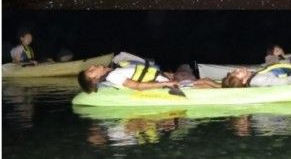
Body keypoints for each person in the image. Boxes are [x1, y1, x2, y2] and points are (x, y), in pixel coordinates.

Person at [78, 54, 220, 94]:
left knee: (205, 80)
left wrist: (164, 75)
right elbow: (137, 86)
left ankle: (225, 88)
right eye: (91, 71)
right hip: (163, 86)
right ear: (95, 78)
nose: (92, 66)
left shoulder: (114, 70)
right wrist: (166, 83)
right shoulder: (113, 76)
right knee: (205, 82)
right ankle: (228, 92)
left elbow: (143, 72)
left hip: (162, 80)